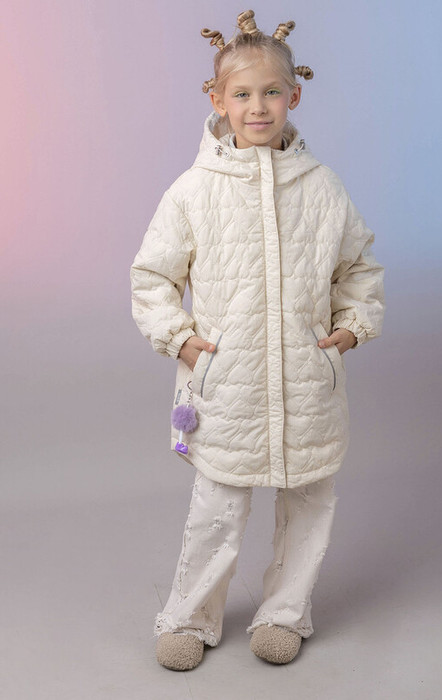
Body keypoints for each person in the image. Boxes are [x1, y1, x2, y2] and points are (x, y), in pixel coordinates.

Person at [130, 9, 385, 671]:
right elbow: (153, 276)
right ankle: (189, 617)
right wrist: (180, 339)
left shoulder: (322, 188)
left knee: (310, 504)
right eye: (241, 94)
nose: (258, 106)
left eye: (271, 91)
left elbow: (358, 266)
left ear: (294, 95)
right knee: (216, 508)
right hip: (228, 386)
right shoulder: (193, 191)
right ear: (217, 100)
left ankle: (284, 613)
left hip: (308, 382)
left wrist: (350, 328)